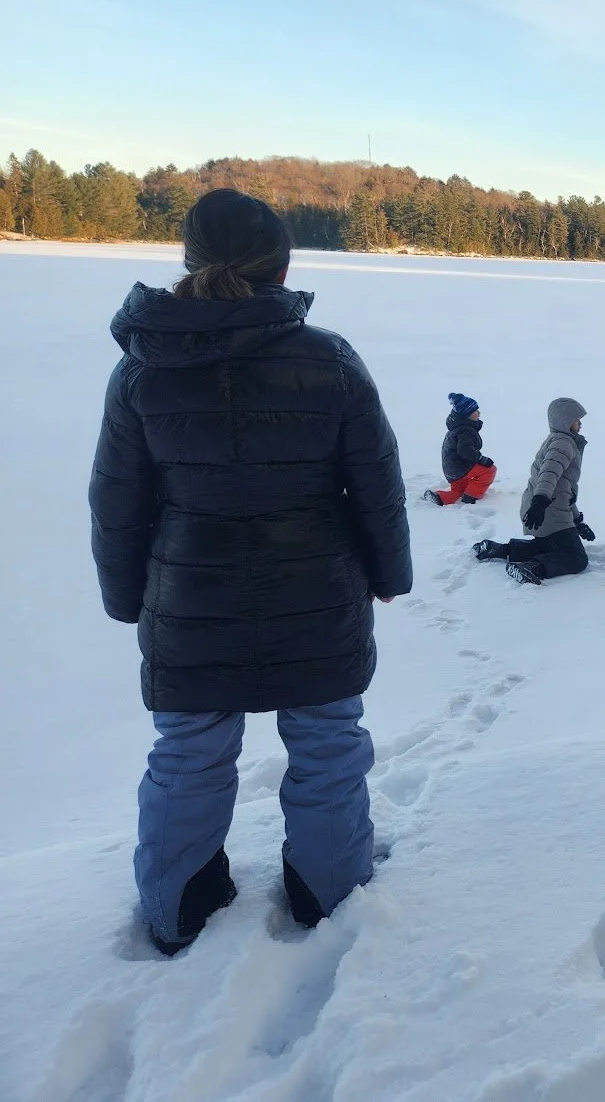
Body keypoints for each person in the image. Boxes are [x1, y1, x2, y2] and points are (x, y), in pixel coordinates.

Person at [89, 188, 411, 955]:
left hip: (188, 598)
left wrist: (126, 597)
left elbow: (116, 501)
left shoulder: (141, 368)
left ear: (189, 261)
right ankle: (329, 894)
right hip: (317, 594)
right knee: (328, 744)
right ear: (283, 268)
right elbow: (376, 484)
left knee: (188, 753)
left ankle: (177, 909)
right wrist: (388, 573)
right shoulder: (329, 359)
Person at [472, 397, 594, 584]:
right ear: (565, 420)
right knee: (576, 558)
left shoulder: (557, 440)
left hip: (544, 508)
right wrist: (541, 500)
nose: (580, 423)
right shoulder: (564, 443)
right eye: (576, 419)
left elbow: (564, 490)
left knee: (547, 547)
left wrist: (577, 521)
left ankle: (499, 549)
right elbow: (549, 473)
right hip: (547, 510)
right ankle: (532, 568)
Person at [427, 392, 496, 505]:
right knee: (490, 470)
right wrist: (481, 459)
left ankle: (439, 498)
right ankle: (470, 497)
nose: (479, 413)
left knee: (459, 491)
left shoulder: (457, 428)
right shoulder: (465, 430)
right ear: (467, 415)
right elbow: (465, 451)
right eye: (475, 411)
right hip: (460, 467)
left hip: (452, 470)